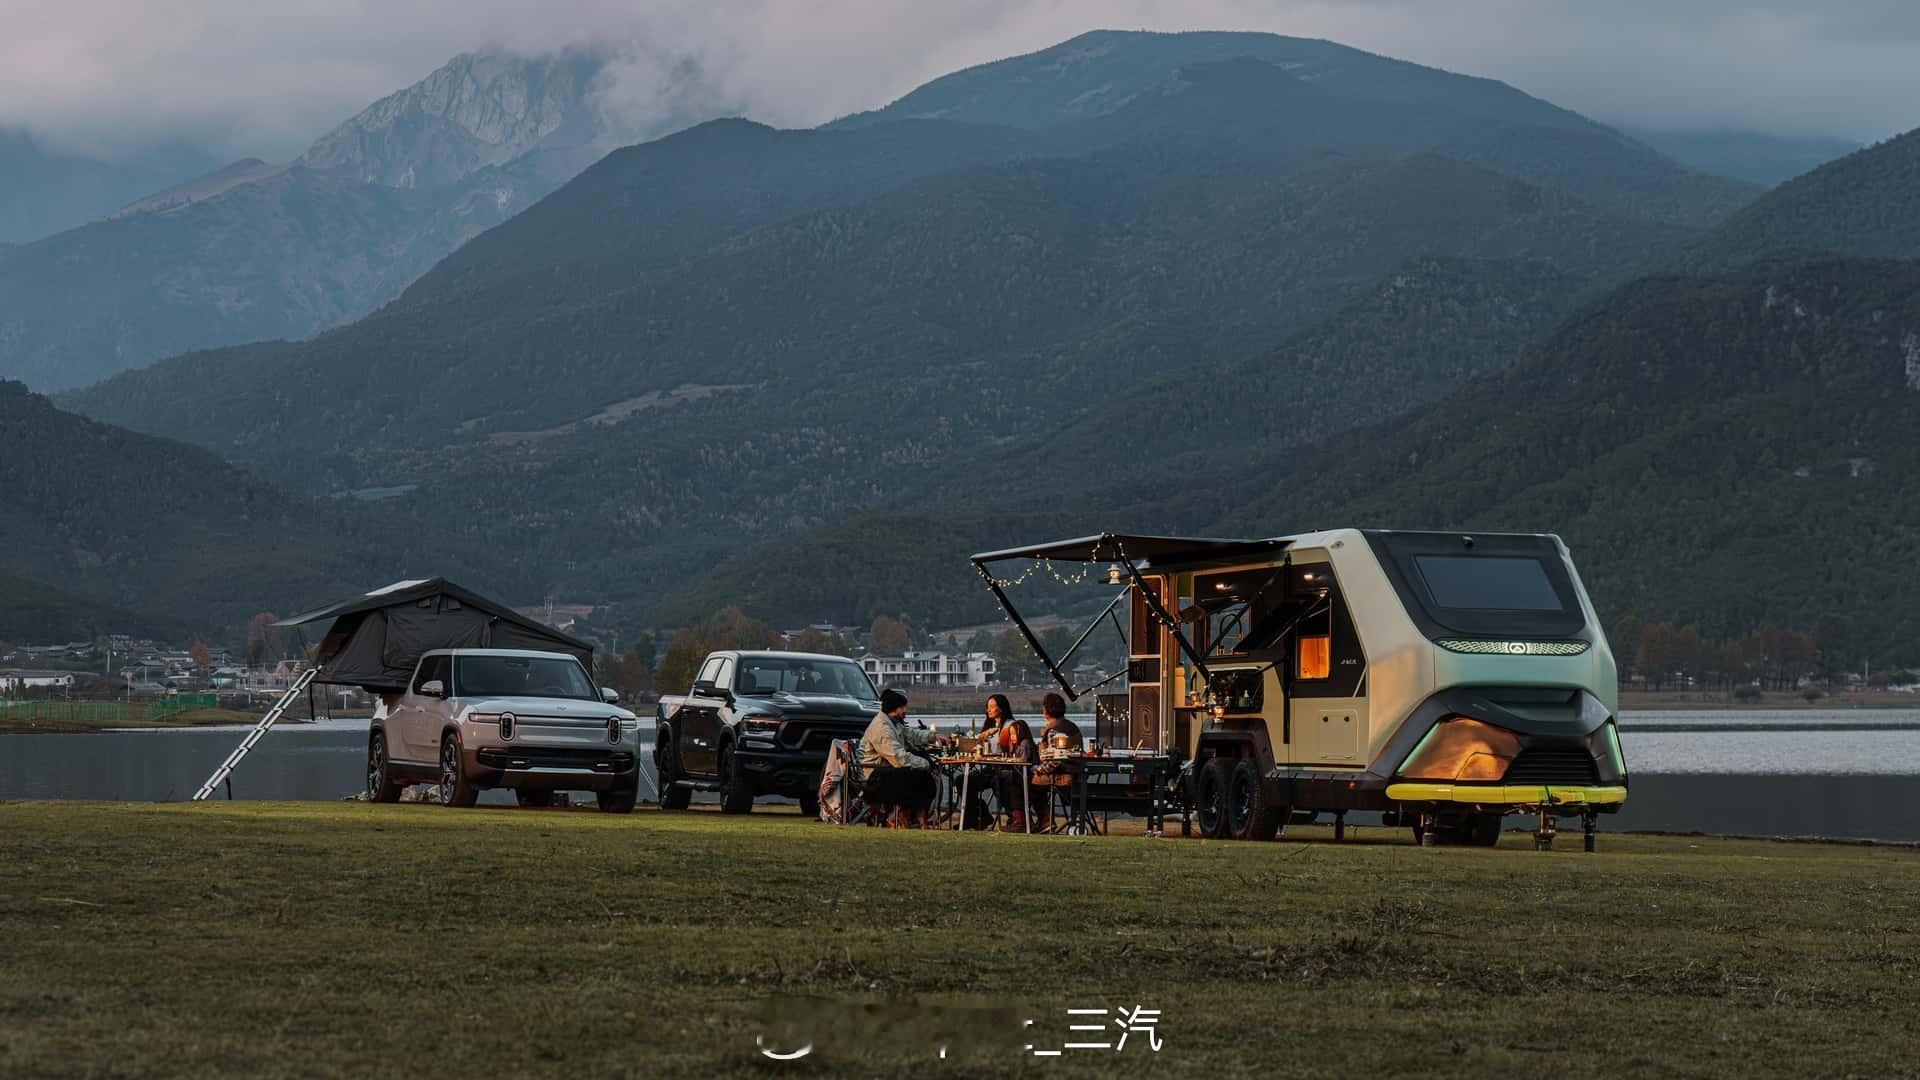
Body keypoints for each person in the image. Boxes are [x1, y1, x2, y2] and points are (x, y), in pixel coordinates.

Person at [858, 689, 945, 827]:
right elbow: (898, 757)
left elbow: (910, 735)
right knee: (918, 776)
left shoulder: (893, 723)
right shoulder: (881, 728)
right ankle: (898, 817)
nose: (905, 711)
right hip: (876, 775)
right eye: (903, 707)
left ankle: (911, 817)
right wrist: (926, 763)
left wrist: (933, 736)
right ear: (894, 708)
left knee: (920, 775)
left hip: (887, 770)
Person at [1029, 693, 1084, 829]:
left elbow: (1051, 760)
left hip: (1061, 777)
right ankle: (1045, 820)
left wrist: (1035, 768)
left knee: (1027, 784)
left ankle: (1045, 820)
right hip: (1076, 775)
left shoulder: (1053, 730)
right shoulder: (1072, 726)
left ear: (1046, 710)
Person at [991, 718, 1038, 831]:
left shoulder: (1025, 743)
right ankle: (1015, 816)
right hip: (1021, 775)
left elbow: (1023, 762)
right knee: (997, 780)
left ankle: (1019, 819)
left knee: (1004, 780)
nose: (1011, 737)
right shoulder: (1016, 745)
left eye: (1013, 734)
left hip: (1028, 776)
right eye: (1010, 735)